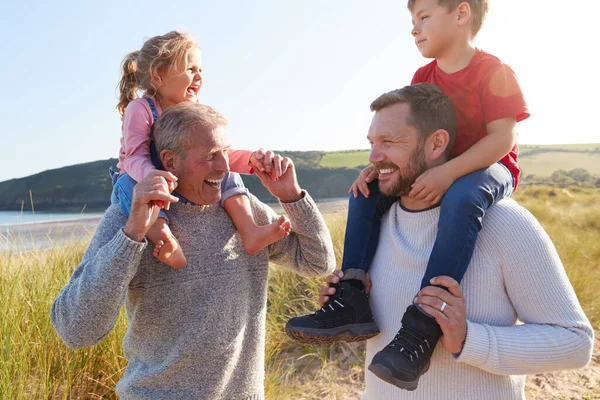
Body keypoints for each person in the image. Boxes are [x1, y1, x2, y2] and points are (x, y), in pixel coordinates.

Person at [286, 0, 530, 388]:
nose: (414, 29)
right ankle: (350, 296)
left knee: (462, 199)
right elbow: (412, 138)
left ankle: (422, 325)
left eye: (424, 18)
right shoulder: (424, 75)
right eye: (412, 21)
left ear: (461, 13)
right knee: (364, 192)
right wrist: (383, 166)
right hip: (438, 165)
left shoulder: (492, 70)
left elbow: (503, 138)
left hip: (490, 167)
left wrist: (450, 172)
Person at [304, 83, 593, 399]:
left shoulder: (505, 224)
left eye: (389, 142)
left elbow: (574, 343)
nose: (374, 157)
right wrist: (352, 307)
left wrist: (469, 339)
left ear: (436, 143)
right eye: (372, 142)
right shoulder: (374, 228)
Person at [51, 102, 336, 399]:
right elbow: (75, 330)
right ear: (171, 161)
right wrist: (131, 235)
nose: (225, 166)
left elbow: (318, 262)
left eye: (225, 151)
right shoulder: (130, 217)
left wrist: (292, 196)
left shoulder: (244, 211)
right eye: (211, 156)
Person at [112, 30, 290, 269]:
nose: (198, 76)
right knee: (128, 186)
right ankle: (166, 241)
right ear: (158, 76)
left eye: (200, 70)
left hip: (183, 177)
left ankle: (250, 231)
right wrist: (150, 176)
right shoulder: (141, 108)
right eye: (190, 70)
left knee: (224, 167)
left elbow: (216, 153)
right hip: (144, 175)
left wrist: (251, 159)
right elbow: (134, 156)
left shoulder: (194, 109)